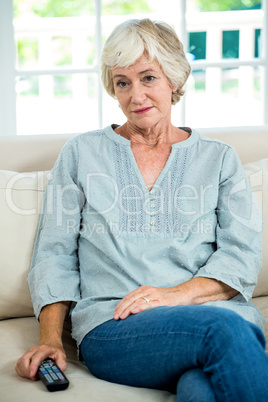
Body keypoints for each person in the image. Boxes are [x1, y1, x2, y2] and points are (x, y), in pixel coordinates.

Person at [16, 18, 268, 401]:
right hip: (115, 325)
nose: (136, 96)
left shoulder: (219, 159)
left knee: (200, 389)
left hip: (216, 317)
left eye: (148, 78)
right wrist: (50, 339)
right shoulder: (82, 154)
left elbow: (241, 255)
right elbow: (53, 255)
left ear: (174, 79)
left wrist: (176, 294)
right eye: (123, 82)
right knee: (223, 332)